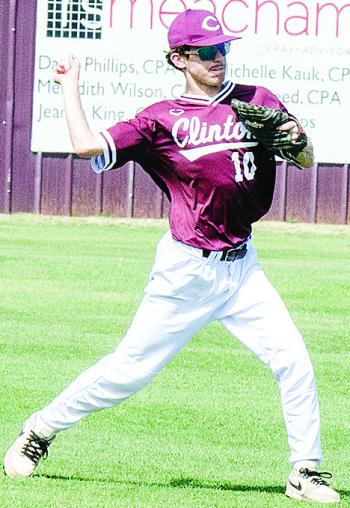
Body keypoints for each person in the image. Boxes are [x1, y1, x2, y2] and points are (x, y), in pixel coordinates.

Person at [4, 9, 340, 504]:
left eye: (224, 48)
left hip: (243, 267)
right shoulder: (160, 120)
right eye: (207, 51)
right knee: (127, 373)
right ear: (180, 58)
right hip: (185, 272)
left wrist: (299, 140)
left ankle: (305, 471)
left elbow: (306, 158)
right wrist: (68, 84)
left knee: (294, 361)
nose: (219, 57)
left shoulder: (257, 100)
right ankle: (40, 430)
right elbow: (83, 146)